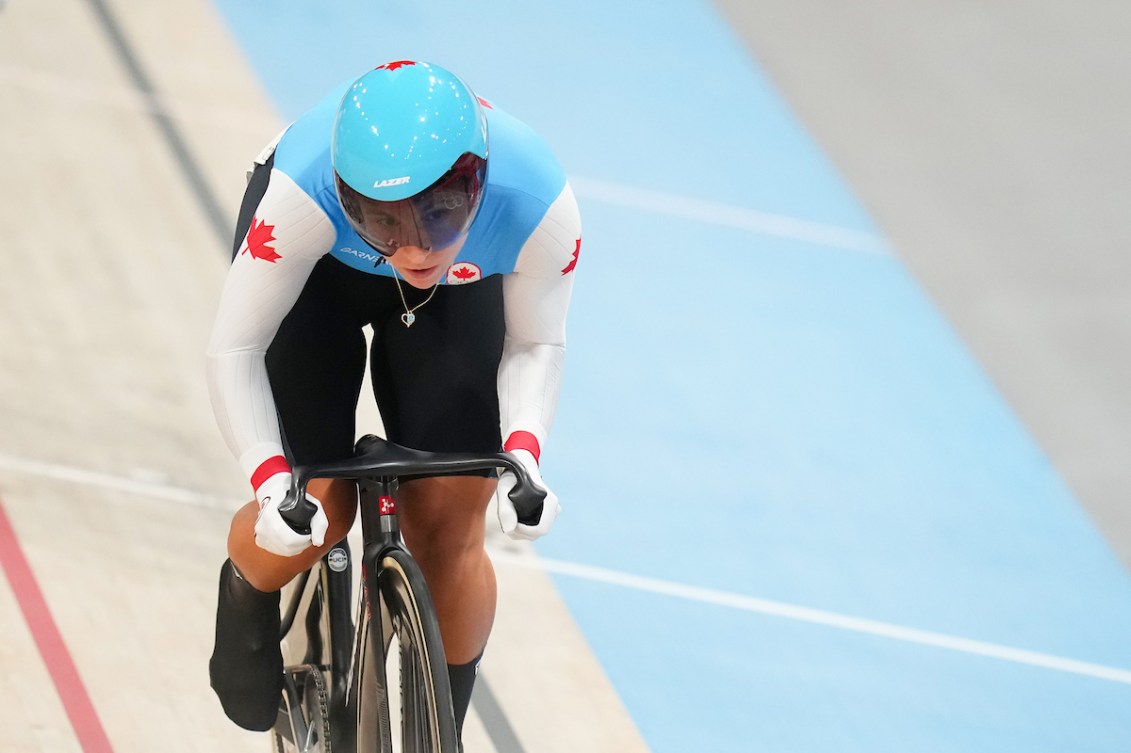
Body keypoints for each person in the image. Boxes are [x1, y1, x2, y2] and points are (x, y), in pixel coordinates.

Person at [204, 60, 582, 740]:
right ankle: (246, 589)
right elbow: (235, 350)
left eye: (437, 216)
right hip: (318, 279)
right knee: (315, 506)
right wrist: (269, 483)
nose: (411, 249)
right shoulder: (300, 194)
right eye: (380, 221)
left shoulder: (537, 202)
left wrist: (524, 458)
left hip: (459, 291)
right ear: (343, 194)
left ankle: (445, 731)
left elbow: (537, 344)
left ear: (477, 183)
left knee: (447, 526)